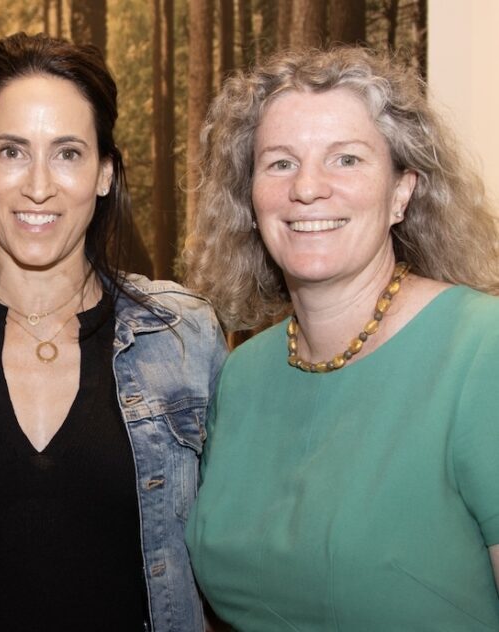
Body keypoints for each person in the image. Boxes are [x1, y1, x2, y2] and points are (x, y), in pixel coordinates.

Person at [0, 32, 226, 632]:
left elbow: (221, 565)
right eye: (11, 151)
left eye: (67, 153)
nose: (38, 185)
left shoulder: (183, 335)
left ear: (105, 173)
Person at [184, 46, 499, 630]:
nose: (307, 188)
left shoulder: (482, 350)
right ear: (250, 199)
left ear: (402, 192)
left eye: (346, 159)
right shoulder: (244, 373)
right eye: (279, 163)